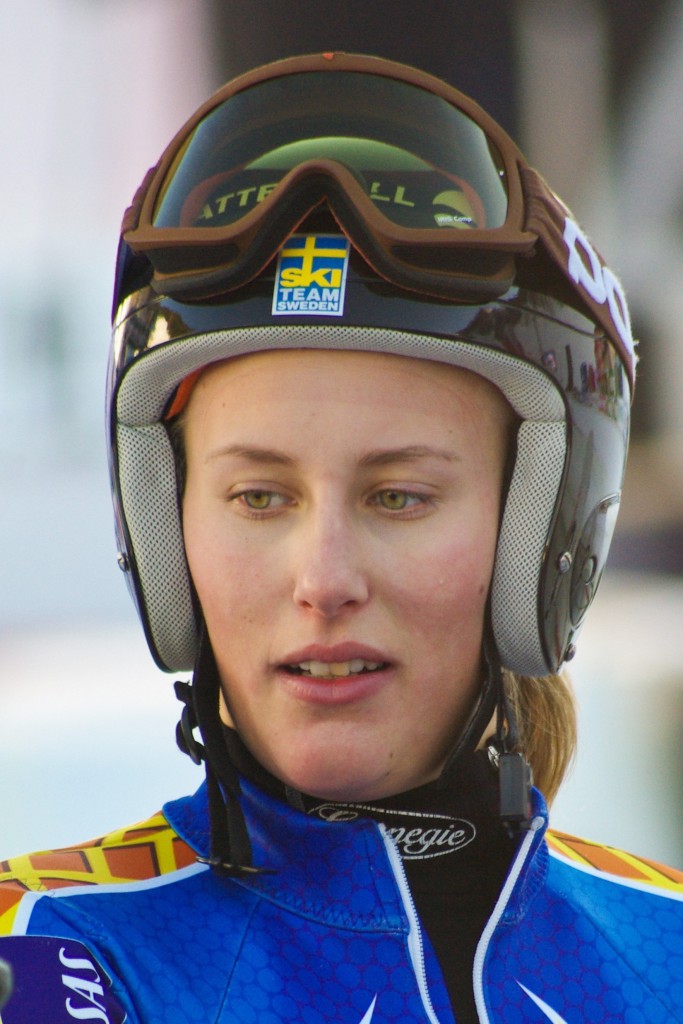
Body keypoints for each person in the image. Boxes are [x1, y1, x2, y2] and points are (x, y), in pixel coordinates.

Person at [0, 51, 681, 1024]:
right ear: (166, 532)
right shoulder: (48, 949)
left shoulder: (667, 947)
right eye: (257, 497)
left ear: (539, 538)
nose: (323, 579)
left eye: (398, 496)